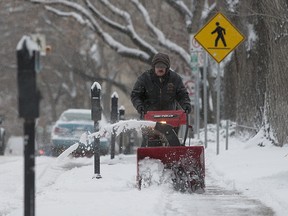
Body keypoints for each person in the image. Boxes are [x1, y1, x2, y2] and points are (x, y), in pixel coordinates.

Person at [130, 52, 192, 147]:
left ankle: (174, 155)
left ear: (167, 67)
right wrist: (140, 106)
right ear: (153, 66)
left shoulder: (174, 78)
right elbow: (135, 95)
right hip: (150, 117)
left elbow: (182, 94)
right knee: (151, 141)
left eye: (163, 66)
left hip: (171, 116)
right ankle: (149, 157)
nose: (160, 68)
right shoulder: (145, 78)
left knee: (172, 140)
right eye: (158, 66)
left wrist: (186, 105)